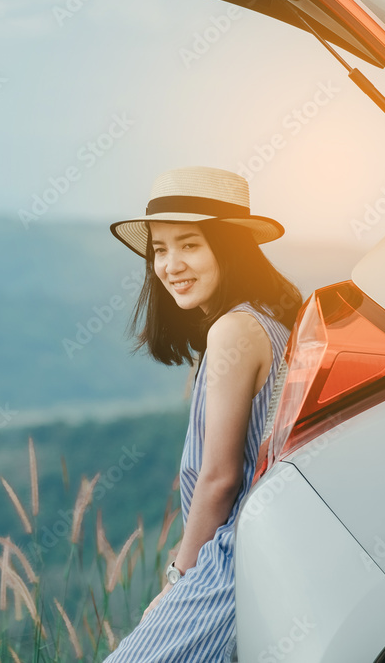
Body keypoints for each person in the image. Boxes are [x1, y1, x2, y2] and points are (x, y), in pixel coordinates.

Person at [103, 166, 303, 662]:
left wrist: (178, 580)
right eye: (160, 249)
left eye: (189, 244)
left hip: (230, 566)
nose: (170, 265)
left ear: (229, 248)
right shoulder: (265, 321)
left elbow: (219, 480)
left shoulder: (234, 330)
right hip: (252, 556)